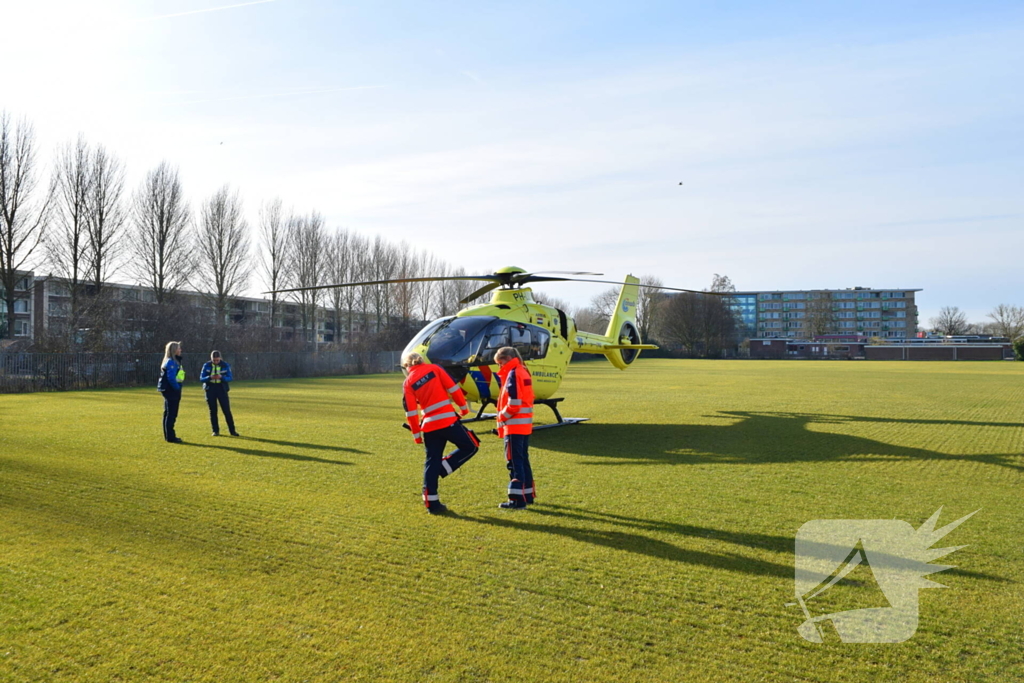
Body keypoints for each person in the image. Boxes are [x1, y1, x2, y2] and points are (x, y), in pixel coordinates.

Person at [401, 352, 479, 514]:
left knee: (431, 461)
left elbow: (410, 411)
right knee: (471, 445)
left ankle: (432, 503)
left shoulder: (408, 382)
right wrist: (463, 408)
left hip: (429, 426)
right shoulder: (435, 369)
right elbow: (453, 388)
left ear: (408, 366)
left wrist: (416, 435)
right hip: (448, 421)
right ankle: (443, 468)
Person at [494, 346, 535, 509]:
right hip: (524, 424)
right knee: (523, 460)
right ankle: (527, 494)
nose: (499, 367)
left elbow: (514, 404)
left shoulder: (513, 373)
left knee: (514, 462)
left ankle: (517, 500)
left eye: (500, 362)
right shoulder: (523, 371)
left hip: (513, 425)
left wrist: (501, 417)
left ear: (508, 359)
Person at [200, 350, 238, 437]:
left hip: (222, 389)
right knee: (213, 411)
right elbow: (201, 378)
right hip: (210, 389)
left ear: (220, 358)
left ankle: (232, 431)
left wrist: (222, 377)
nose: (216, 362)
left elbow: (230, 378)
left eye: (217, 360)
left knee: (226, 410)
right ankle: (215, 431)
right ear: (211, 359)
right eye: (214, 360)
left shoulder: (225, 365)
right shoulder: (206, 365)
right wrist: (210, 377)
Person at [157, 341, 186, 444]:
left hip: (168, 389)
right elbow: (171, 378)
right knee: (172, 413)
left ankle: (168, 435)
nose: (180, 350)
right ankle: (171, 436)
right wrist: (177, 388)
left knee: (168, 413)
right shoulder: (172, 362)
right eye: (178, 348)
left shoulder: (170, 361)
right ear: (174, 350)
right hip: (171, 390)